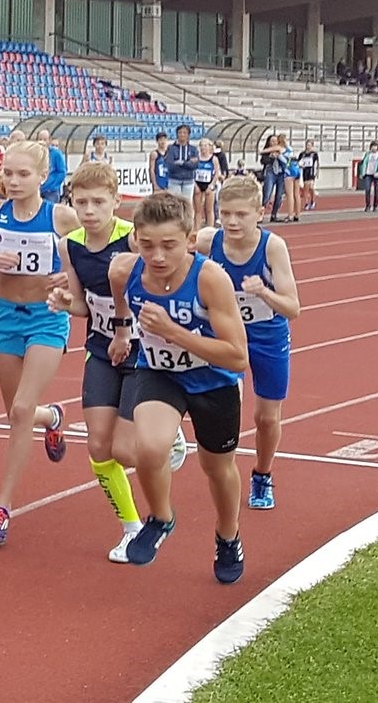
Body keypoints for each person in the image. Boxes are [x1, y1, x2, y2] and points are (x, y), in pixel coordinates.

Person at [106, 192, 249, 583]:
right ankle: (162, 518)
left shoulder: (209, 278)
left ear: (189, 240)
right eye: (148, 245)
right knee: (149, 448)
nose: (157, 256)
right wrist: (121, 334)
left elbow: (237, 356)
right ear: (135, 239)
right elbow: (120, 304)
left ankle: (227, 535)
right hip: (160, 373)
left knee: (217, 469)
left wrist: (173, 332)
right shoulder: (123, 270)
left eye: (169, 246)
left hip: (213, 379)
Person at [47, 162, 185, 562]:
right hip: (102, 348)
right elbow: (80, 304)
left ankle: (169, 436)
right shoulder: (69, 244)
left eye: (98, 202)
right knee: (97, 446)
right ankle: (130, 527)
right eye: (81, 201)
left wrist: (128, 329)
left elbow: (155, 281)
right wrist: (62, 303)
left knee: (127, 452)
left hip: (142, 349)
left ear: (116, 203)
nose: (89, 210)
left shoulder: (130, 239)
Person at [0, 141, 77, 546]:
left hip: (48, 317)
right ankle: (54, 419)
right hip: (6, 316)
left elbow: (93, 257)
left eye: (23, 174)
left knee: (22, 408)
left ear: (44, 178)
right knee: (17, 413)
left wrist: (67, 281)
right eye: (8, 172)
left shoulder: (60, 216)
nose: (13, 180)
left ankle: (1, 507)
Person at [199, 178, 299, 511]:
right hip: (226, 335)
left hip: (267, 335)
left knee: (266, 418)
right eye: (225, 213)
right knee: (224, 403)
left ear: (259, 213)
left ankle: (262, 473)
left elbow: (293, 308)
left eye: (240, 214)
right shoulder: (207, 241)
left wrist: (264, 292)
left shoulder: (273, 247)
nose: (231, 222)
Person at [163, 125, 199, 202]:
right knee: (174, 204)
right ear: (177, 134)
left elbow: (194, 166)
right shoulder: (171, 148)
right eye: (180, 132)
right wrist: (188, 162)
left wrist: (181, 163)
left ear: (188, 135)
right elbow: (170, 166)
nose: (182, 134)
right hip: (174, 180)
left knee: (187, 204)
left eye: (184, 133)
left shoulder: (193, 149)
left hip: (188, 181)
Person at [36, 128, 69, 204]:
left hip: (51, 192)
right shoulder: (34, 154)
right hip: (37, 190)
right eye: (40, 139)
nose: (42, 142)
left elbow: (62, 172)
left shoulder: (56, 154)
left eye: (45, 139)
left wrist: (52, 184)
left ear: (49, 140)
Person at [193, 138, 220, 227]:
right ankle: (197, 230)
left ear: (209, 147)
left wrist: (211, 185)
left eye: (205, 146)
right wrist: (195, 185)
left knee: (209, 209)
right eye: (201, 146)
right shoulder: (196, 158)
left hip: (209, 184)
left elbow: (216, 173)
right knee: (198, 210)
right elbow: (192, 172)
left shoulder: (213, 159)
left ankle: (210, 229)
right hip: (198, 183)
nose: (203, 148)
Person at [359, 141, 378, 211]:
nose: (374, 148)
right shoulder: (368, 154)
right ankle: (368, 205)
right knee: (367, 189)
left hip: (376, 175)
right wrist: (362, 173)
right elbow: (364, 163)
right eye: (372, 146)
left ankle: (375, 206)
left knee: (376, 190)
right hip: (368, 174)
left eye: (375, 146)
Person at [297, 140, 320, 212]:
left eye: (310, 145)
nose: (308, 147)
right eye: (307, 145)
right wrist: (300, 166)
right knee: (306, 188)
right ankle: (306, 203)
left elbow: (317, 163)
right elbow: (298, 162)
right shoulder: (302, 154)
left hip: (311, 172)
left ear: (312, 146)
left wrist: (317, 172)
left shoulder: (314, 154)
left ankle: (312, 201)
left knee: (311, 187)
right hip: (305, 172)